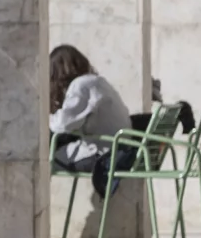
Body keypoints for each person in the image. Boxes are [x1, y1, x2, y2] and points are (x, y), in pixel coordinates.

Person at [48, 43, 135, 206]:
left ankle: (33, 216)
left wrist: (46, 118)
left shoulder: (82, 86)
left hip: (104, 154)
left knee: (43, 160)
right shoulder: (96, 81)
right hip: (118, 150)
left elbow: (62, 124)